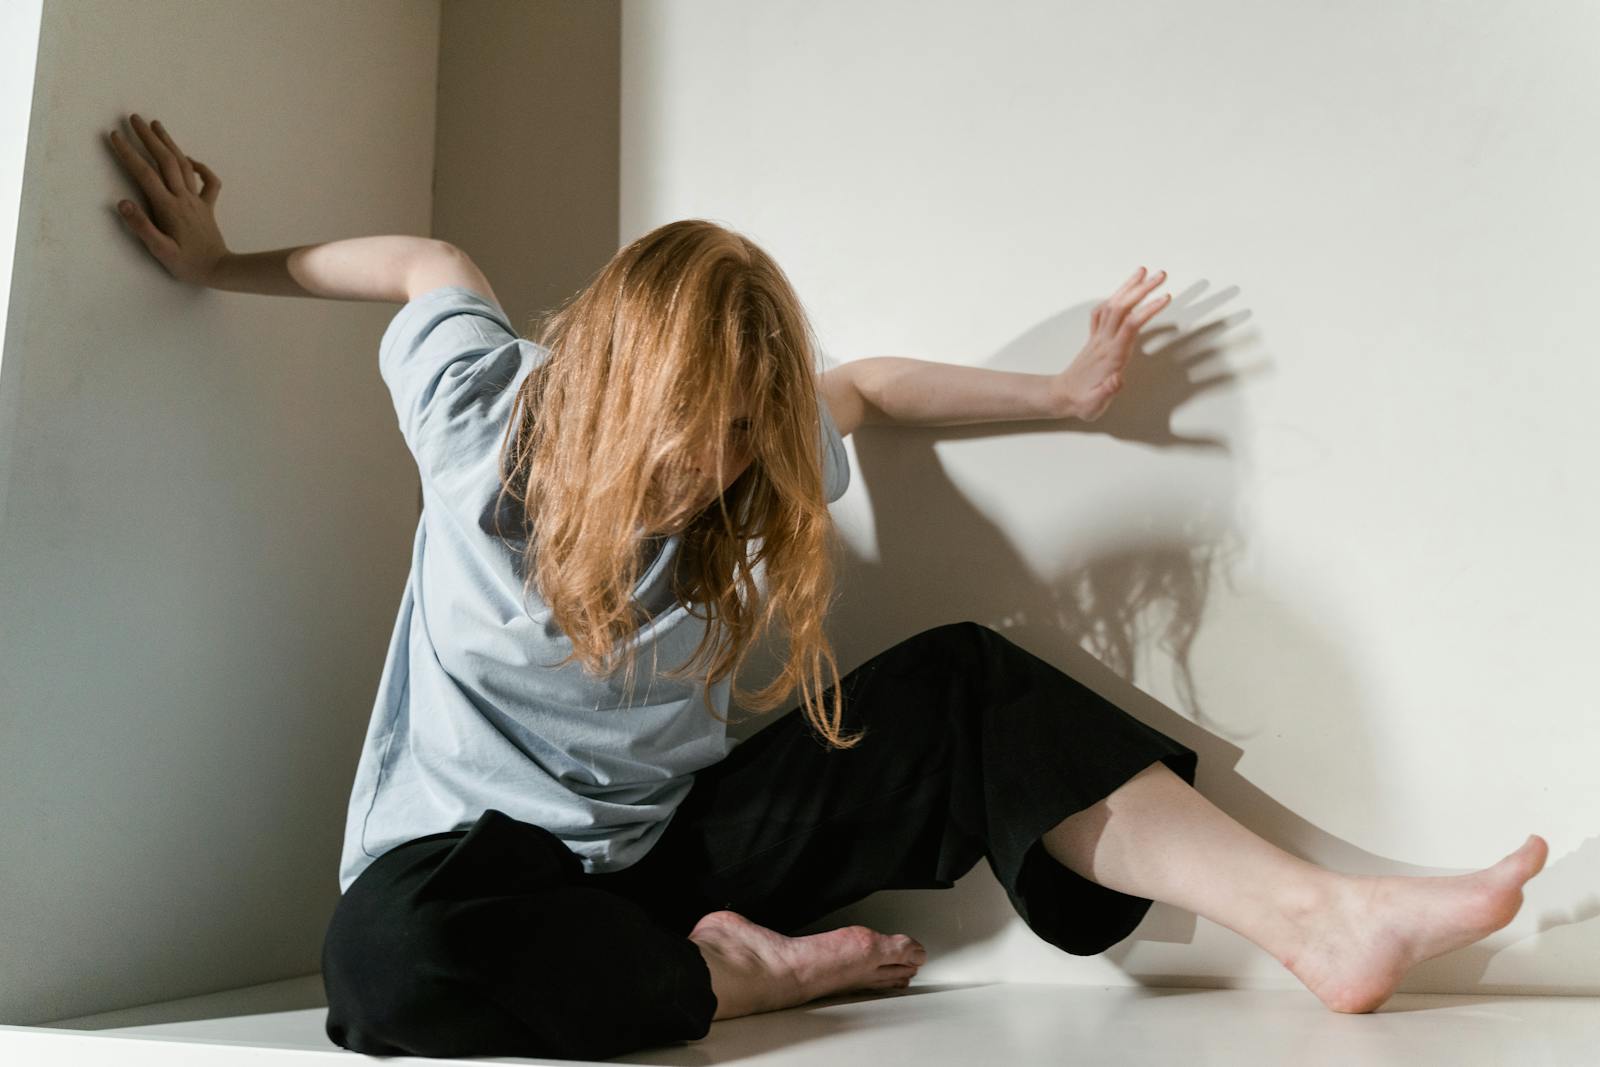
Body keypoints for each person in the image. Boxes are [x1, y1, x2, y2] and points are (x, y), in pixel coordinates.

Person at [108, 112, 1548, 1062]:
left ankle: (1317, 920)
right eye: (686, 432)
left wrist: (1063, 392)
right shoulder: (484, 416)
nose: (712, 467)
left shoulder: (754, 444)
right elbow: (426, 259)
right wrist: (214, 259)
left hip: (669, 860)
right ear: (600, 388)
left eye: (741, 433)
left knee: (967, 680)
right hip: (479, 872)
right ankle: (746, 982)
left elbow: (859, 387)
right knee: (379, 969)